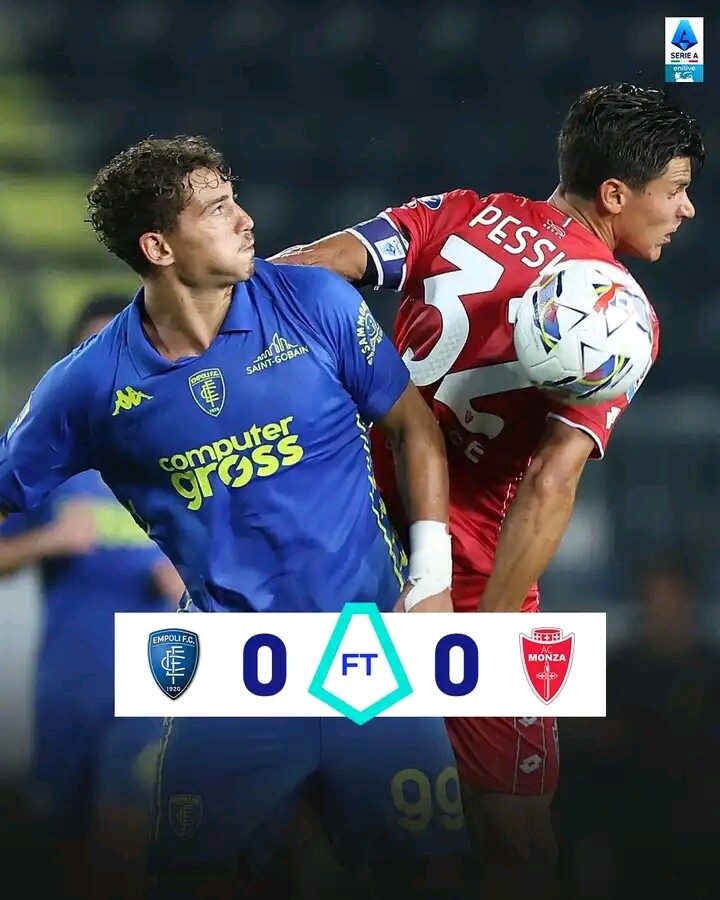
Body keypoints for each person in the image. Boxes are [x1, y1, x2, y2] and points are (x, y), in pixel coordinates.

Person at [0, 136, 467, 899]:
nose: (246, 219)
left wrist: (432, 577)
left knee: (434, 878)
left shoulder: (314, 303)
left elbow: (414, 428)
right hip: (230, 674)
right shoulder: (89, 387)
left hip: (368, 650)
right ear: (158, 247)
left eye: (234, 199)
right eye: (217, 210)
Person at [269, 82, 705, 898]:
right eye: (676, 189)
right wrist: (489, 638)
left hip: (346, 540)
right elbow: (549, 480)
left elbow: (303, 271)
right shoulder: (615, 314)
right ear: (617, 195)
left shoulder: (459, 212)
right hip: (472, 571)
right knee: (514, 836)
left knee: (294, 800)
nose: (686, 210)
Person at [0, 294, 184, 897]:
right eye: (92, 352)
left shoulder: (192, 459)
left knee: (123, 843)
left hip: (158, 686)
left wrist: (194, 579)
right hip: (68, 688)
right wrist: (47, 540)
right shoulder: (40, 457)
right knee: (62, 854)